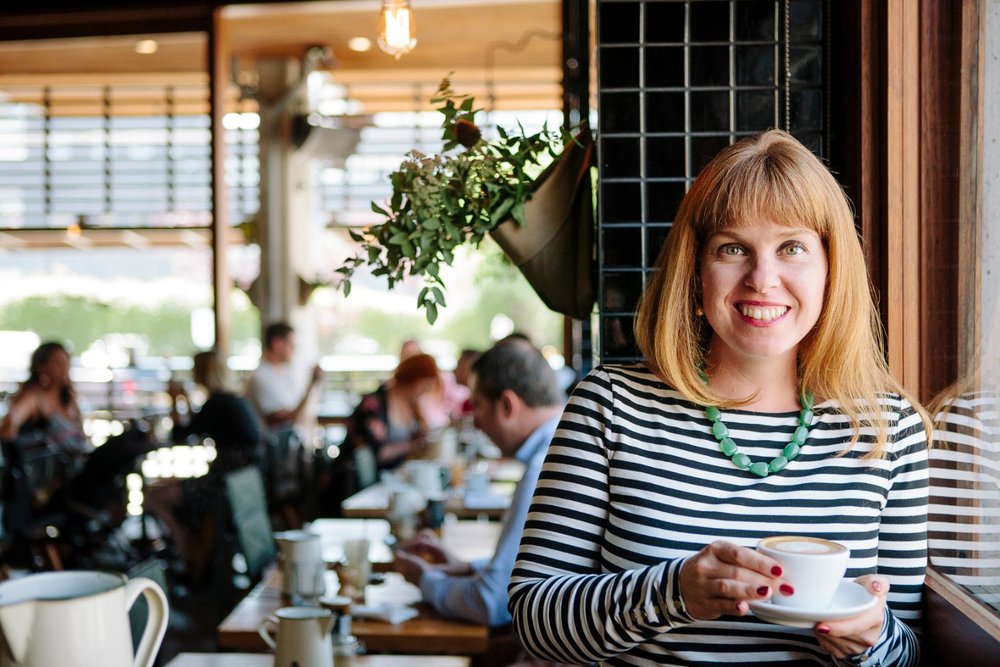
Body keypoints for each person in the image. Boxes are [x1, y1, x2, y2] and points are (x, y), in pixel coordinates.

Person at [508, 130, 931, 666]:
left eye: (792, 247)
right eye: (733, 248)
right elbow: (533, 618)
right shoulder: (610, 406)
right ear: (696, 271)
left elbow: (911, 650)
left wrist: (873, 645)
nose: (762, 278)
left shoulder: (889, 429)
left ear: (831, 267)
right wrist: (673, 592)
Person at [393, 339, 565, 627]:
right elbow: (542, 570)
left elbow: (492, 603)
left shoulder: (545, 466)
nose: (478, 422)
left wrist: (425, 579)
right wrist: (466, 567)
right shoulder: (561, 444)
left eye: (479, 406)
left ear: (507, 405)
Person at [144, 349, 262, 581]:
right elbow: (195, 430)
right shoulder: (231, 400)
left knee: (153, 496)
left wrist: (175, 401)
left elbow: (182, 434)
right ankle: (191, 550)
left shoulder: (217, 402)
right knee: (162, 486)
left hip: (223, 487)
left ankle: (187, 550)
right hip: (242, 483)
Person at [341, 352, 443, 471]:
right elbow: (375, 454)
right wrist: (412, 445)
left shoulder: (412, 405)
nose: (424, 392)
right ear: (412, 379)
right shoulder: (373, 404)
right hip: (367, 482)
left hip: (397, 477)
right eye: (424, 386)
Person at [0, 341, 91, 465]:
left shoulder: (69, 400)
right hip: (58, 473)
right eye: (57, 362)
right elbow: (12, 419)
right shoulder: (34, 397)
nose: (64, 367)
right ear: (41, 367)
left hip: (81, 462)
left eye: (65, 361)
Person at [245, 321, 322, 438]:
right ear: (277, 344)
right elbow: (286, 420)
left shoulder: (286, 373)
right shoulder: (260, 378)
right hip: (275, 449)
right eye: (291, 344)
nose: (295, 348)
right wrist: (311, 384)